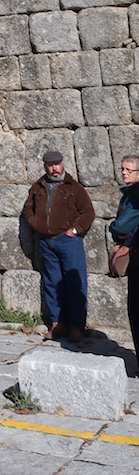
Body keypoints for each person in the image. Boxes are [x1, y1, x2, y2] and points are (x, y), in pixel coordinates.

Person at [22, 149, 95, 343]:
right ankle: (57, 323)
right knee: (52, 283)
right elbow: (28, 207)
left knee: (74, 283)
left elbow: (88, 212)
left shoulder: (74, 187)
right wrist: (33, 222)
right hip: (46, 242)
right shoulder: (38, 186)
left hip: (68, 241)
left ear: (62, 164)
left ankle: (76, 326)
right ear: (45, 166)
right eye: (50, 165)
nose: (54, 168)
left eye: (57, 164)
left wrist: (75, 229)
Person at [109, 155, 139, 366]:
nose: (124, 172)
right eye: (122, 169)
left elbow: (121, 225)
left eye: (129, 170)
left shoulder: (135, 193)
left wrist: (115, 229)